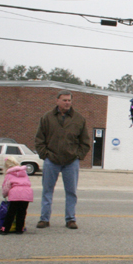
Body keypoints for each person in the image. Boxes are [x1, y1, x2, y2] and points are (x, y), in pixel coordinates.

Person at [34, 91, 90, 229]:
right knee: (47, 191)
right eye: (64, 100)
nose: (67, 103)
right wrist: (45, 155)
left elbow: (85, 142)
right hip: (51, 160)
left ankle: (70, 219)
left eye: (69, 100)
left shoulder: (79, 119)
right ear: (57, 101)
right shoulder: (47, 118)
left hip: (71, 161)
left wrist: (78, 156)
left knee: (71, 192)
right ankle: (44, 219)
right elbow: (39, 139)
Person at [0, 156, 35, 235]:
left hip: (15, 194)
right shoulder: (24, 173)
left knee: (11, 213)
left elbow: (6, 186)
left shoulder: (9, 174)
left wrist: (4, 195)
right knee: (22, 212)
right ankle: (19, 229)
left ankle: (5, 229)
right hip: (27, 193)